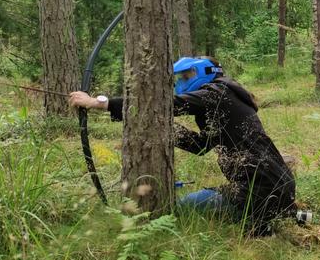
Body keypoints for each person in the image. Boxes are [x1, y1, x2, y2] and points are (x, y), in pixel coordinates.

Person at [69, 56, 296, 236]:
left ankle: (264, 218)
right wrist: (164, 128)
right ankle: (273, 216)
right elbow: (200, 146)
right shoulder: (223, 101)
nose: (182, 83)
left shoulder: (217, 94)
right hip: (274, 187)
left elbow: (167, 105)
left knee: (180, 209)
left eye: (186, 76)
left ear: (204, 73)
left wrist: (98, 103)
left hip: (259, 191)